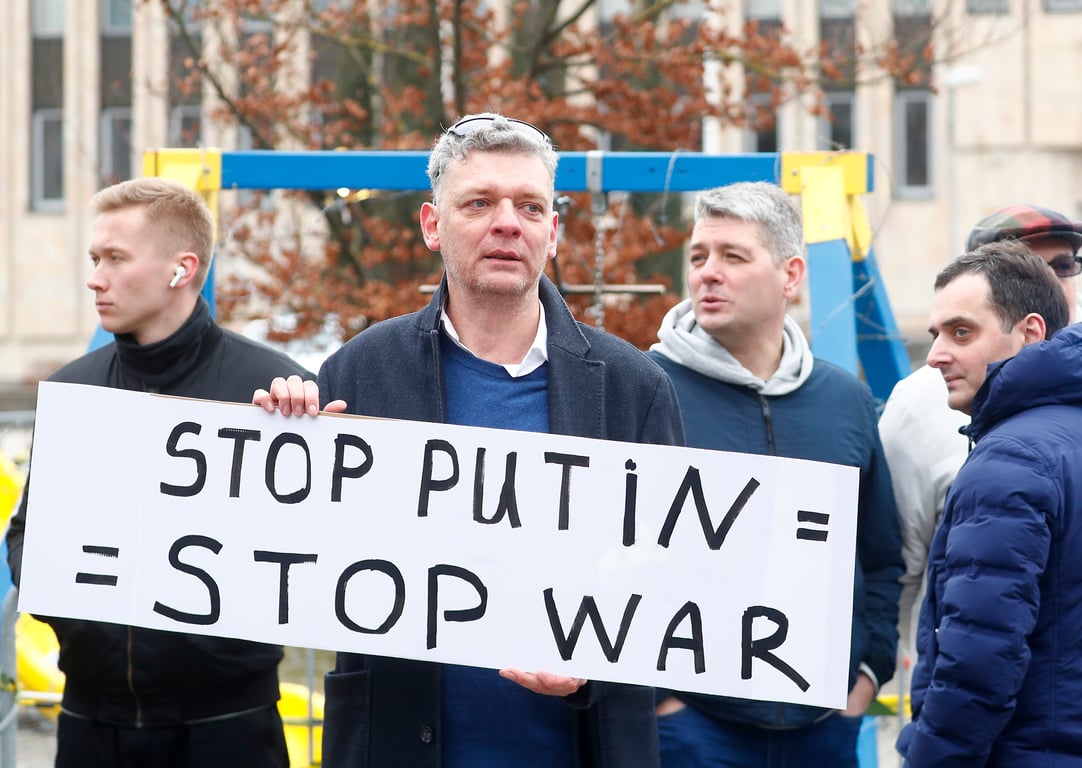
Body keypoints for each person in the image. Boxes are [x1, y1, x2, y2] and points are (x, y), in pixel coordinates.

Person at [253, 113, 685, 768]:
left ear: (552, 232)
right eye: (479, 203)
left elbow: (673, 579)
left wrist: (595, 667)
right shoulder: (358, 372)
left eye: (529, 206)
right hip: (395, 745)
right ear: (432, 225)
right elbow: (296, 560)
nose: (507, 223)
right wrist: (280, 445)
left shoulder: (634, 388)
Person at [5, 177, 311, 768]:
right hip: (91, 723)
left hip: (228, 729)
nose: (95, 278)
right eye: (94, 259)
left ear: (181, 269)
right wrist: (73, 610)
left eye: (115, 259)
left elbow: (320, 545)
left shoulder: (271, 393)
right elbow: (27, 532)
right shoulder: (73, 390)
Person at [646, 181, 903, 767]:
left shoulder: (846, 401)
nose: (708, 273)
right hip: (692, 731)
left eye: (733, 256)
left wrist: (865, 677)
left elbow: (881, 556)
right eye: (698, 256)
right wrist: (661, 701)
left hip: (824, 730)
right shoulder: (643, 389)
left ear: (791, 276)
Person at [896, 240, 1077, 765]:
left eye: (961, 332)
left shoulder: (1011, 459)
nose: (935, 355)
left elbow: (978, 662)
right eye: (936, 334)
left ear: (1031, 333)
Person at [878, 203, 1082, 655]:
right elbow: (899, 566)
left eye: (1063, 265)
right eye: (1025, 264)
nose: (1048, 280)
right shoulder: (919, 402)